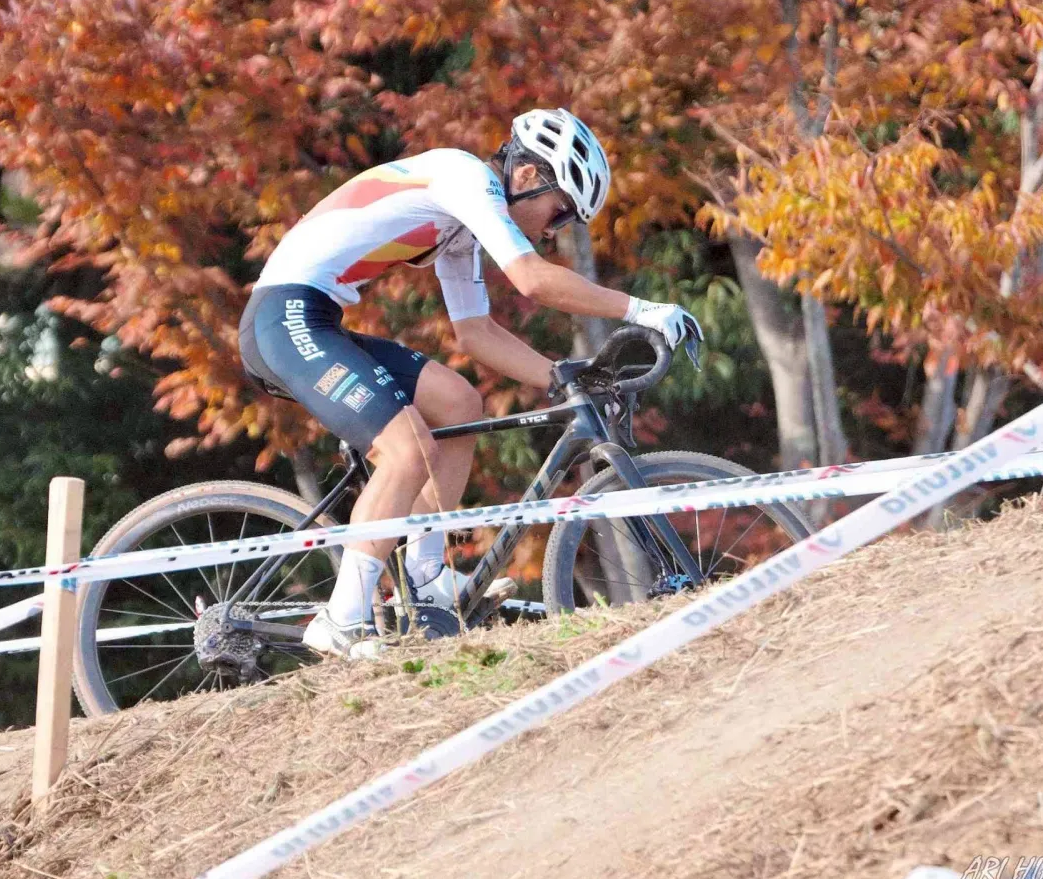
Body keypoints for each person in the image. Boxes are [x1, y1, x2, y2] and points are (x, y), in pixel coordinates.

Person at [238, 109, 703, 658]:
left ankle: (426, 576)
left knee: (459, 402)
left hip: (315, 319)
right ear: (527, 176)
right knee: (408, 451)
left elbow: (475, 333)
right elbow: (531, 280)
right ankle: (341, 620)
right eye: (558, 212)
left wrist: (563, 379)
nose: (552, 231)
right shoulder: (463, 177)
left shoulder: (457, 229)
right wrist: (644, 310)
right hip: (284, 318)